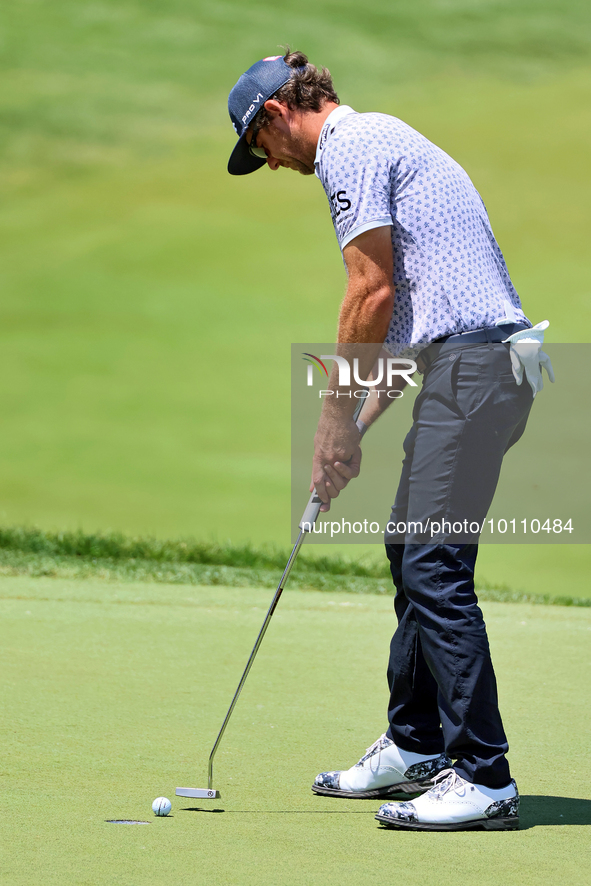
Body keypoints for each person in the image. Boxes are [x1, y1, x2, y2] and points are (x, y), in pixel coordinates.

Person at [226, 50, 552, 831]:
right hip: (472, 366)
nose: (270, 165)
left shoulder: (352, 147)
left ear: (275, 114)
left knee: (432, 564)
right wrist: (355, 434)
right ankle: (416, 745)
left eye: (259, 148)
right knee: (411, 550)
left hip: (475, 368)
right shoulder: (378, 142)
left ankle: (483, 776)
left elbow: (368, 291)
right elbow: (414, 327)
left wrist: (331, 420)